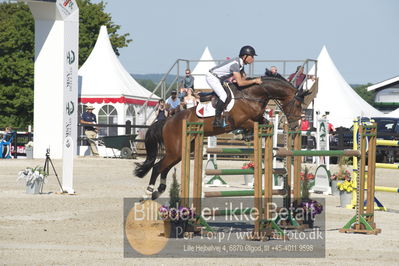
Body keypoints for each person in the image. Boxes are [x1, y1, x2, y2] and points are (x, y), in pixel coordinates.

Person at [206, 45, 262, 127]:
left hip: (220, 79)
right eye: (252, 56)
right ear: (244, 56)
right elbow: (240, 83)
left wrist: (252, 80)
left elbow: (244, 78)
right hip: (212, 77)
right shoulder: (235, 64)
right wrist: (254, 80)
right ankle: (217, 120)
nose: (253, 59)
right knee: (223, 95)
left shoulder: (241, 64)